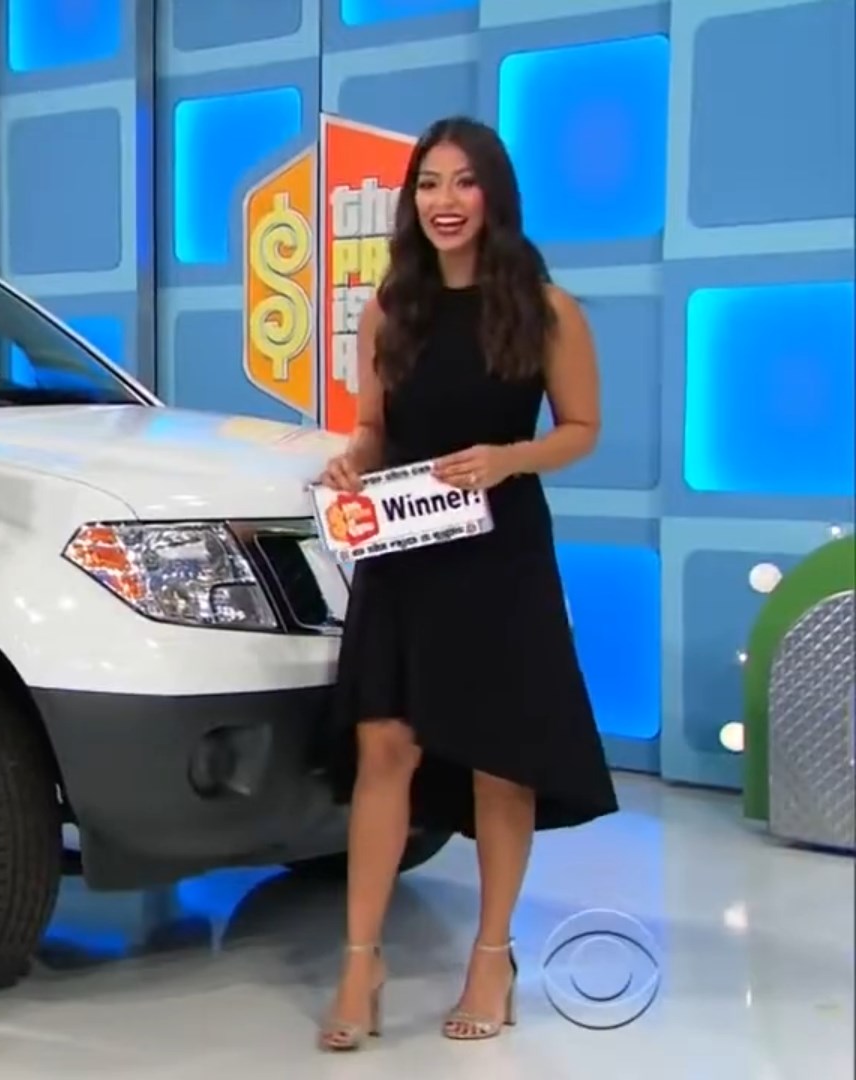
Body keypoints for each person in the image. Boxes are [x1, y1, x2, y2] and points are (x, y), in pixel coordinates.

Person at [313, 116, 619, 1051]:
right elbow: (375, 427)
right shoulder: (389, 310)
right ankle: (361, 961)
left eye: (463, 183)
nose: (444, 202)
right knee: (385, 749)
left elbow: (581, 428)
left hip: (500, 554)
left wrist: (508, 458)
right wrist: (351, 462)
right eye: (428, 185)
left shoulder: (543, 307)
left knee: (498, 758)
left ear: (494, 195)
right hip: (403, 552)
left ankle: (494, 955)